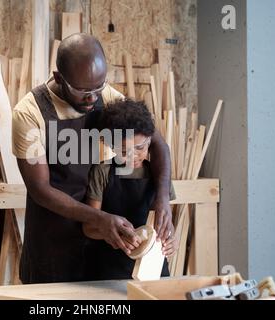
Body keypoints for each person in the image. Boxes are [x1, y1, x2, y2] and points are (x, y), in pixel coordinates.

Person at [12, 33, 173, 284]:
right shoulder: (29, 113)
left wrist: (163, 199)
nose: (93, 98)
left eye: (99, 87)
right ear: (58, 78)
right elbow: (40, 189)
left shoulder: (103, 93)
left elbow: (157, 142)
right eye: (83, 91)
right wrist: (99, 218)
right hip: (54, 236)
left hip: (99, 239)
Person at [83, 99, 178, 280]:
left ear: (150, 139)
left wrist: (171, 239)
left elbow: (164, 224)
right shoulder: (102, 172)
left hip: (152, 268)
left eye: (140, 148)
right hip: (109, 268)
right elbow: (88, 227)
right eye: (124, 151)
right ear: (112, 146)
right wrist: (114, 234)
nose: (133, 156)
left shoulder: (158, 176)